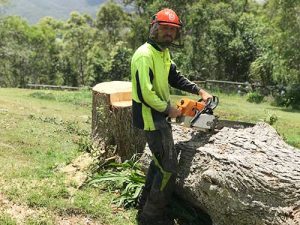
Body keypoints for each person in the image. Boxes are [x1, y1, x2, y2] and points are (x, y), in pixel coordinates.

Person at [130, 8, 212, 225]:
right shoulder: (144, 55)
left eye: (172, 30)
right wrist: (169, 110)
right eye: (164, 28)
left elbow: (174, 76)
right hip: (151, 117)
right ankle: (152, 217)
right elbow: (145, 93)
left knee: (159, 163)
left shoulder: (162, 52)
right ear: (154, 29)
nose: (168, 33)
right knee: (168, 168)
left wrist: (198, 91)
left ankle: (144, 205)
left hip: (159, 116)